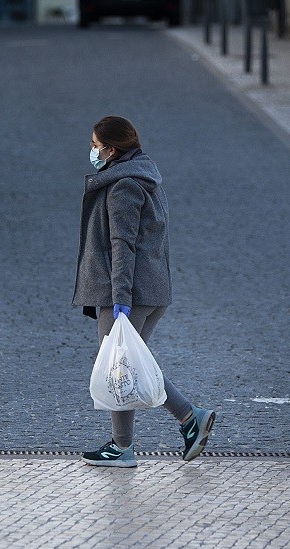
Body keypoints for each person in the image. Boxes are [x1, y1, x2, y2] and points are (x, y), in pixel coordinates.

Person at [73, 116, 216, 468]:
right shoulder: (145, 176)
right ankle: (153, 432)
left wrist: (120, 297)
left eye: (95, 145)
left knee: (120, 367)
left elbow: (123, 246)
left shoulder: (124, 186)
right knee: (128, 365)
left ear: (112, 148)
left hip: (127, 292)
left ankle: (173, 423)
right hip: (152, 290)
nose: (92, 150)